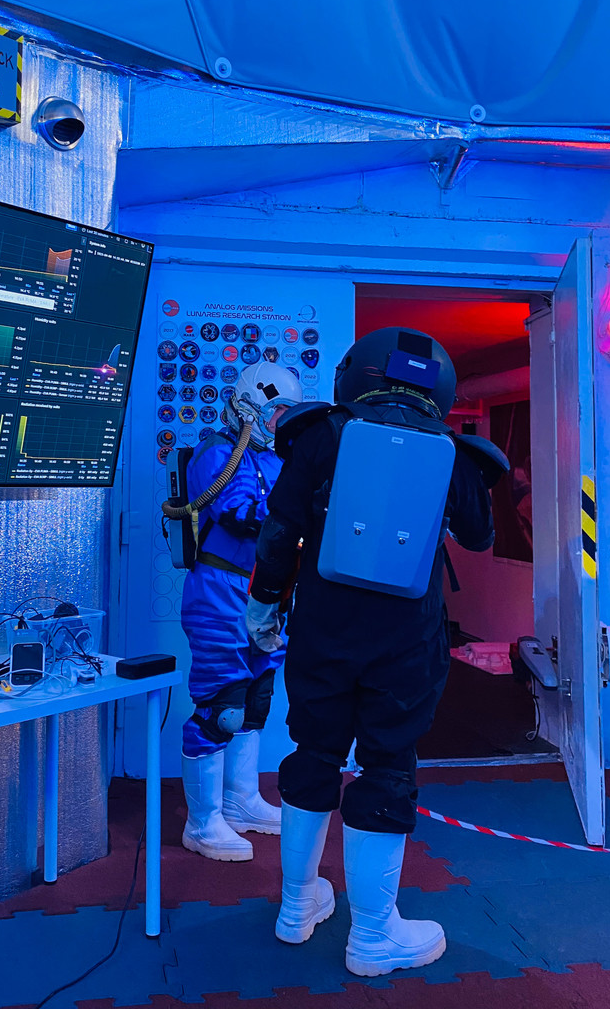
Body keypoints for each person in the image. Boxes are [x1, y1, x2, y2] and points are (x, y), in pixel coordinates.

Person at [246, 328, 507, 975]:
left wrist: (263, 606)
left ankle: (296, 906)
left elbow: (280, 530)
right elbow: (480, 537)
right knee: (387, 766)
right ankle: (373, 935)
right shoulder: (454, 451)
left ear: (356, 372)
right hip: (406, 643)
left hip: (322, 631)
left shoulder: (317, 433)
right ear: (439, 386)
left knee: (313, 754)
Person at [180, 361, 303, 861]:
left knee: (256, 701)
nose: (281, 422)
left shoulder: (275, 460)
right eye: (277, 411)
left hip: (265, 594)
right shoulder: (217, 452)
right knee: (222, 707)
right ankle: (201, 823)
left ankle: (241, 800)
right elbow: (237, 513)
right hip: (220, 592)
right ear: (250, 406)